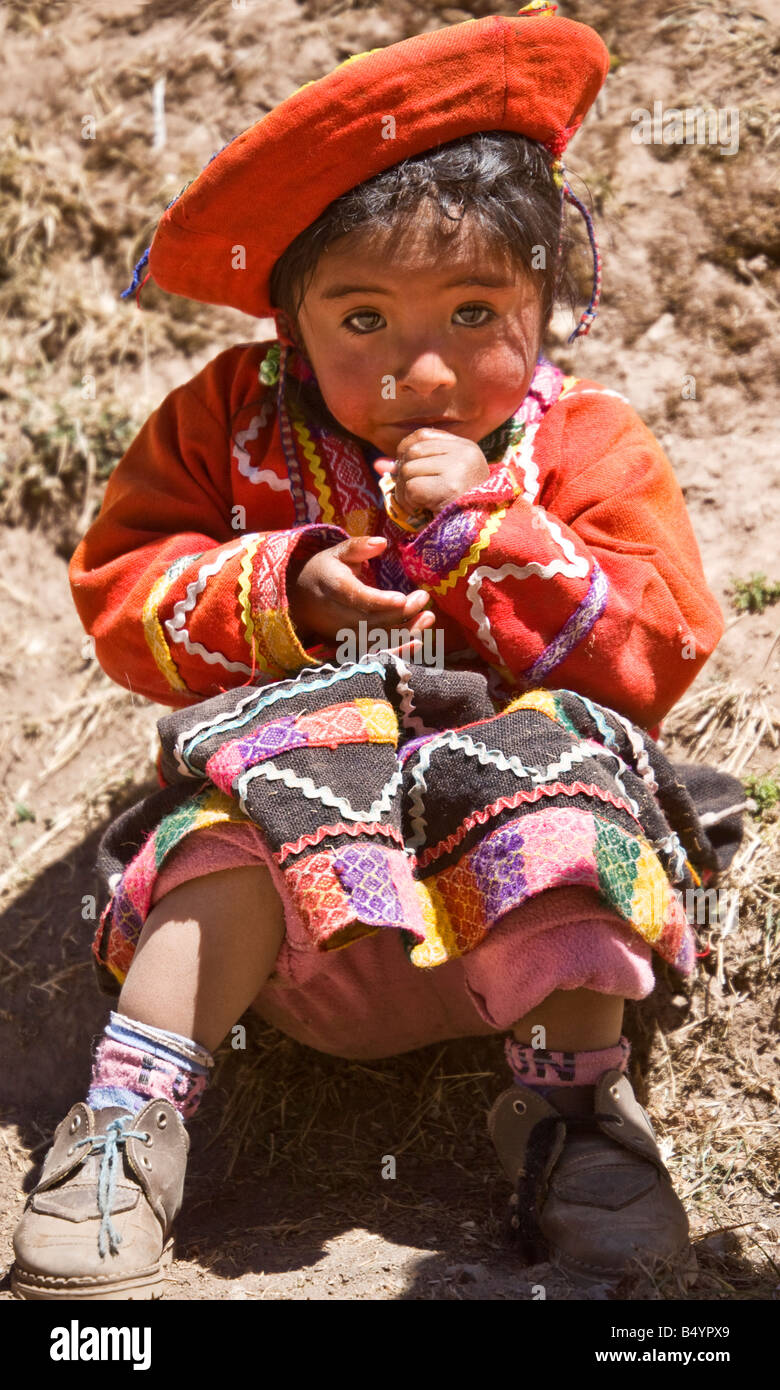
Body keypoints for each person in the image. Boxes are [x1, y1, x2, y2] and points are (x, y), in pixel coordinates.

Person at [12, 3, 742, 1300]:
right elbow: (123, 586)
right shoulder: (226, 425)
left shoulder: (585, 445)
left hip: (501, 910)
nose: (420, 370)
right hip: (293, 924)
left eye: (474, 310)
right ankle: (129, 1126)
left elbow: (658, 638)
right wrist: (287, 580)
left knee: (566, 798)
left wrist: (493, 530)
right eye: (362, 321)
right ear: (289, 319)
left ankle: (580, 1124)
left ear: (547, 297)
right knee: (226, 832)